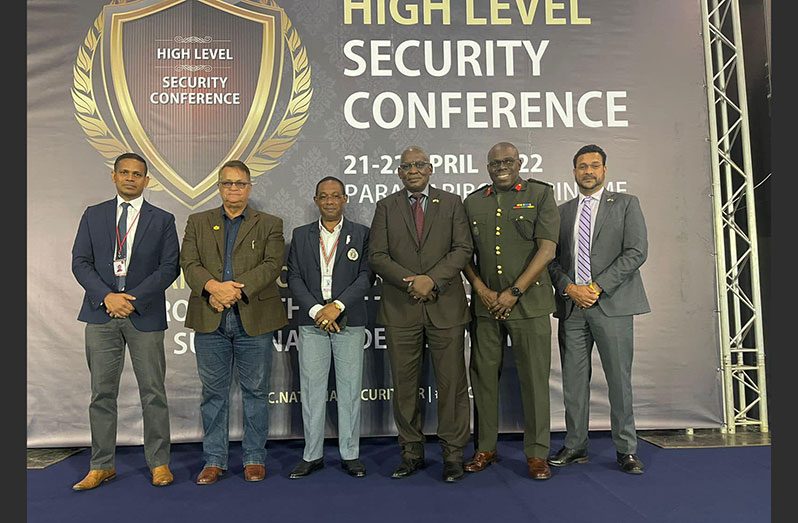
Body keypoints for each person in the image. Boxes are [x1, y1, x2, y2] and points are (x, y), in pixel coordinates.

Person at [70, 152, 180, 490]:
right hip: (101, 314)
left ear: (147, 181)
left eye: (137, 174)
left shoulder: (162, 219)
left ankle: (159, 463)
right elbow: (80, 262)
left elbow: (169, 267)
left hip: (143, 315)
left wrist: (131, 300)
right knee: (102, 393)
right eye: (124, 172)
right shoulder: (94, 215)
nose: (131, 178)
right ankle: (101, 465)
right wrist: (107, 297)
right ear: (114, 176)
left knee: (153, 392)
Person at [368, 146, 473, 483]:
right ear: (399, 172)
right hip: (401, 308)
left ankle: (453, 454)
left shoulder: (453, 203)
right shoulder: (386, 207)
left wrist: (432, 280)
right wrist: (410, 282)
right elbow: (378, 255)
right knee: (405, 385)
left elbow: (463, 249)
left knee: (453, 384)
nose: (413, 170)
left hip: (446, 308)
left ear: (430, 169)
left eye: (419, 165)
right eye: (406, 166)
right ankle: (411, 452)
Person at [180, 160, 287, 485]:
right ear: (219, 187)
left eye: (240, 183)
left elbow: (271, 265)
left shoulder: (270, 223)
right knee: (213, 394)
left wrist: (232, 291)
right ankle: (214, 460)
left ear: (249, 187)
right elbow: (189, 262)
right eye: (227, 183)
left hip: (252, 318)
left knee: (256, 392)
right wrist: (212, 287)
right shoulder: (198, 221)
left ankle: (254, 458)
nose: (233, 189)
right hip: (209, 318)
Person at [547, 144, 650, 474]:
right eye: (581, 166)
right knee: (574, 383)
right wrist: (570, 288)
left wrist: (596, 286)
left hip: (612, 305)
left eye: (594, 166)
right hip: (573, 308)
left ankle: (626, 449)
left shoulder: (625, 204)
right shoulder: (561, 213)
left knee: (619, 380)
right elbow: (551, 262)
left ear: (605, 170)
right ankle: (576, 445)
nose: (588, 171)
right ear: (573, 172)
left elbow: (636, 252)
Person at [462, 141, 560, 481]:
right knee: (484, 379)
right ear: (487, 167)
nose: (501, 166)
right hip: (487, 308)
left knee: (534, 381)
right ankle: (485, 447)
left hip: (529, 305)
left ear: (519, 163)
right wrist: (483, 291)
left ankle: (536, 454)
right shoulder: (474, 202)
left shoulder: (541, 194)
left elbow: (547, 249)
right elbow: (464, 254)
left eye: (507, 161)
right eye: (494, 163)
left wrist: (515, 292)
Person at [286, 176, 374, 479]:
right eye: (323, 196)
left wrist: (337, 307)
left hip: (348, 318)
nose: (330, 201)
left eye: (335, 196)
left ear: (345, 199)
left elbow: (366, 276)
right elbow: (294, 277)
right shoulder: (300, 235)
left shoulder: (361, 234)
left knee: (350, 389)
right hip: (312, 321)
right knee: (311, 390)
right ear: (316, 201)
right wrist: (317, 310)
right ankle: (312, 454)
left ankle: (350, 453)